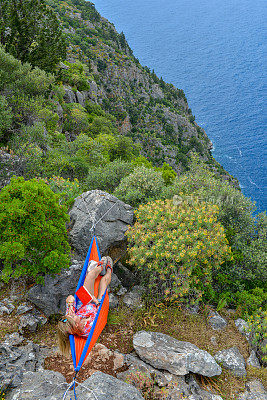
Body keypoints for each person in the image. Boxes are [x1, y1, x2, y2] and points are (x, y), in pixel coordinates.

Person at [57, 256, 113, 357]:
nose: (72, 314)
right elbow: (99, 315)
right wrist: (96, 302)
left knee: (90, 276)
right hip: (98, 306)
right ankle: (109, 270)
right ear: (77, 325)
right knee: (103, 282)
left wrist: (70, 305)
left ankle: (101, 268)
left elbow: (70, 298)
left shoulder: (69, 320)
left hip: (85, 303)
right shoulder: (88, 331)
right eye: (72, 316)